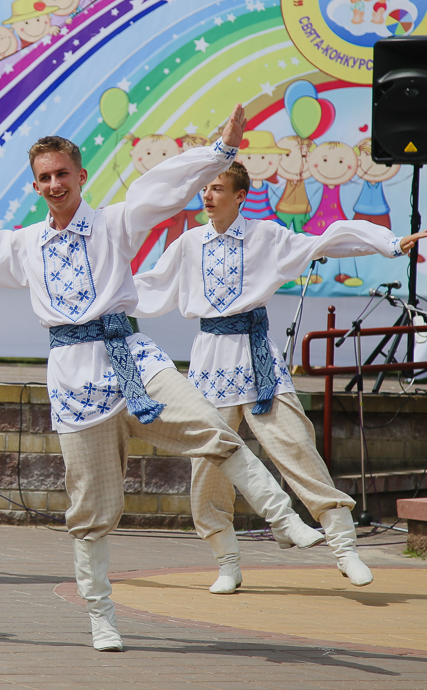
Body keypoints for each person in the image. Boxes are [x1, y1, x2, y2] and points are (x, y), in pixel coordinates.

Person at [0, 105, 325, 652]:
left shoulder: (112, 223)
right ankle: (101, 615)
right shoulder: (27, 244)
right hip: (75, 381)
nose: (54, 184)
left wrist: (219, 152)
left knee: (208, 428)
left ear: (81, 177)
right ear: (36, 185)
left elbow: (162, 189)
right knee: (92, 508)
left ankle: (282, 518)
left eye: (62, 174)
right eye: (45, 177)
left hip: (132, 358)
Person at [131, 161, 427, 594]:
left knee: (294, 444)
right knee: (208, 464)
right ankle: (226, 560)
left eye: (217, 188)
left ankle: (343, 545)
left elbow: (326, 239)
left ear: (239, 195)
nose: (208, 196)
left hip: (255, 356)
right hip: (210, 359)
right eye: (205, 189)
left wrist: (389, 243)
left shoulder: (265, 236)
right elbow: (150, 285)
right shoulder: (189, 243)